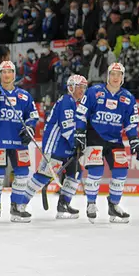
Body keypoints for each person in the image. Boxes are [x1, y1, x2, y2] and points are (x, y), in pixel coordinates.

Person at [75, 62, 139, 223]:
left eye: (119, 75)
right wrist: (80, 133)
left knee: (121, 170)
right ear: (107, 76)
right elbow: (81, 114)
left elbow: (131, 123)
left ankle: (114, 204)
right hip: (94, 136)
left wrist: (135, 140)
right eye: (113, 74)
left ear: (123, 78)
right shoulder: (94, 92)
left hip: (115, 139)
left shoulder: (128, 98)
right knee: (96, 170)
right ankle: (91, 203)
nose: (115, 77)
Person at [19, 75, 89, 222]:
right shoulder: (66, 101)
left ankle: (64, 204)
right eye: (79, 86)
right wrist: (75, 142)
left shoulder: (77, 105)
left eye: (84, 87)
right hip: (56, 147)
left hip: (67, 148)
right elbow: (67, 126)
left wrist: (78, 143)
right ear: (71, 87)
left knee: (75, 173)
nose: (82, 89)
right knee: (43, 176)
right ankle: (20, 204)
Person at [0, 61, 39, 222]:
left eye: (10, 71)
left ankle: (17, 207)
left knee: (22, 174)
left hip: (19, 142)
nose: (7, 75)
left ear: (14, 74)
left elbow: (33, 115)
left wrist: (30, 128)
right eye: (3, 72)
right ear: (0, 75)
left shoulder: (24, 95)